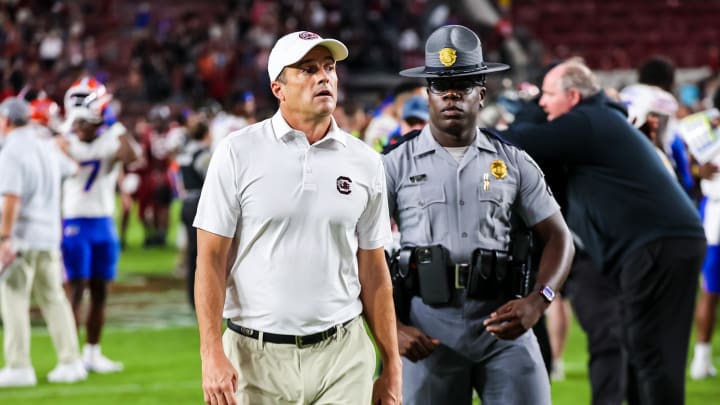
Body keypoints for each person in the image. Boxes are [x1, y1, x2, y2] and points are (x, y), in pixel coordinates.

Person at [193, 31, 402, 405]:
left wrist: (392, 367)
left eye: (329, 67)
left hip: (344, 353)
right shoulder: (237, 153)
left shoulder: (365, 161)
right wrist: (211, 354)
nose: (324, 77)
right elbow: (210, 259)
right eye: (307, 69)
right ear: (279, 88)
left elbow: (373, 268)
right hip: (254, 356)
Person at [383, 25, 575, 405]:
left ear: (482, 93)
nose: (452, 93)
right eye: (440, 85)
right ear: (428, 93)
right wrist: (393, 329)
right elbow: (358, 249)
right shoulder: (393, 164)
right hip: (427, 328)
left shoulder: (514, 161)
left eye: (465, 83)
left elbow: (559, 237)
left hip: (504, 325)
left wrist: (540, 299)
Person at [502, 59, 706, 405]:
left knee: (651, 356)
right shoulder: (600, 117)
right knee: (647, 353)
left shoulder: (587, 121)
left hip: (656, 245)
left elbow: (515, 140)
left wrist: (524, 108)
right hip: (667, 242)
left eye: (548, 95)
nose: (542, 102)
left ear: (573, 96)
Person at [0, 97, 87, 386]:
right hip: (49, 237)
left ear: (7, 120)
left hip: (22, 239)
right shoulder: (45, 146)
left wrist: (4, 238)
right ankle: (71, 361)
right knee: (54, 300)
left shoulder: (12, 150)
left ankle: (19, 366)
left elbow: (11, 197)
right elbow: (73, 169)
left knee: (14, 300)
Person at [60, 77, 142, 373]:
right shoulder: (63, 138)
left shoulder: (110, 137)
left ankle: (92, 353)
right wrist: (71, 127)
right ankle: (67, 356)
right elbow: (61, 141)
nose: (80, 128)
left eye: (86, 122)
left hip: (103, 222)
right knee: (74, 291)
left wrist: (114, 124)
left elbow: (133, 156)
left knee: (100, 292)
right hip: (73, 221)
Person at [177, 115, 212, 309]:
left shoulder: (184, 153)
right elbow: (213, 180)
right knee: (205, 254)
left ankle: (192, 298)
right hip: (200, 202)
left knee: (192, 254)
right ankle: (203, 298)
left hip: (186, 202)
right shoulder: (203, 155)